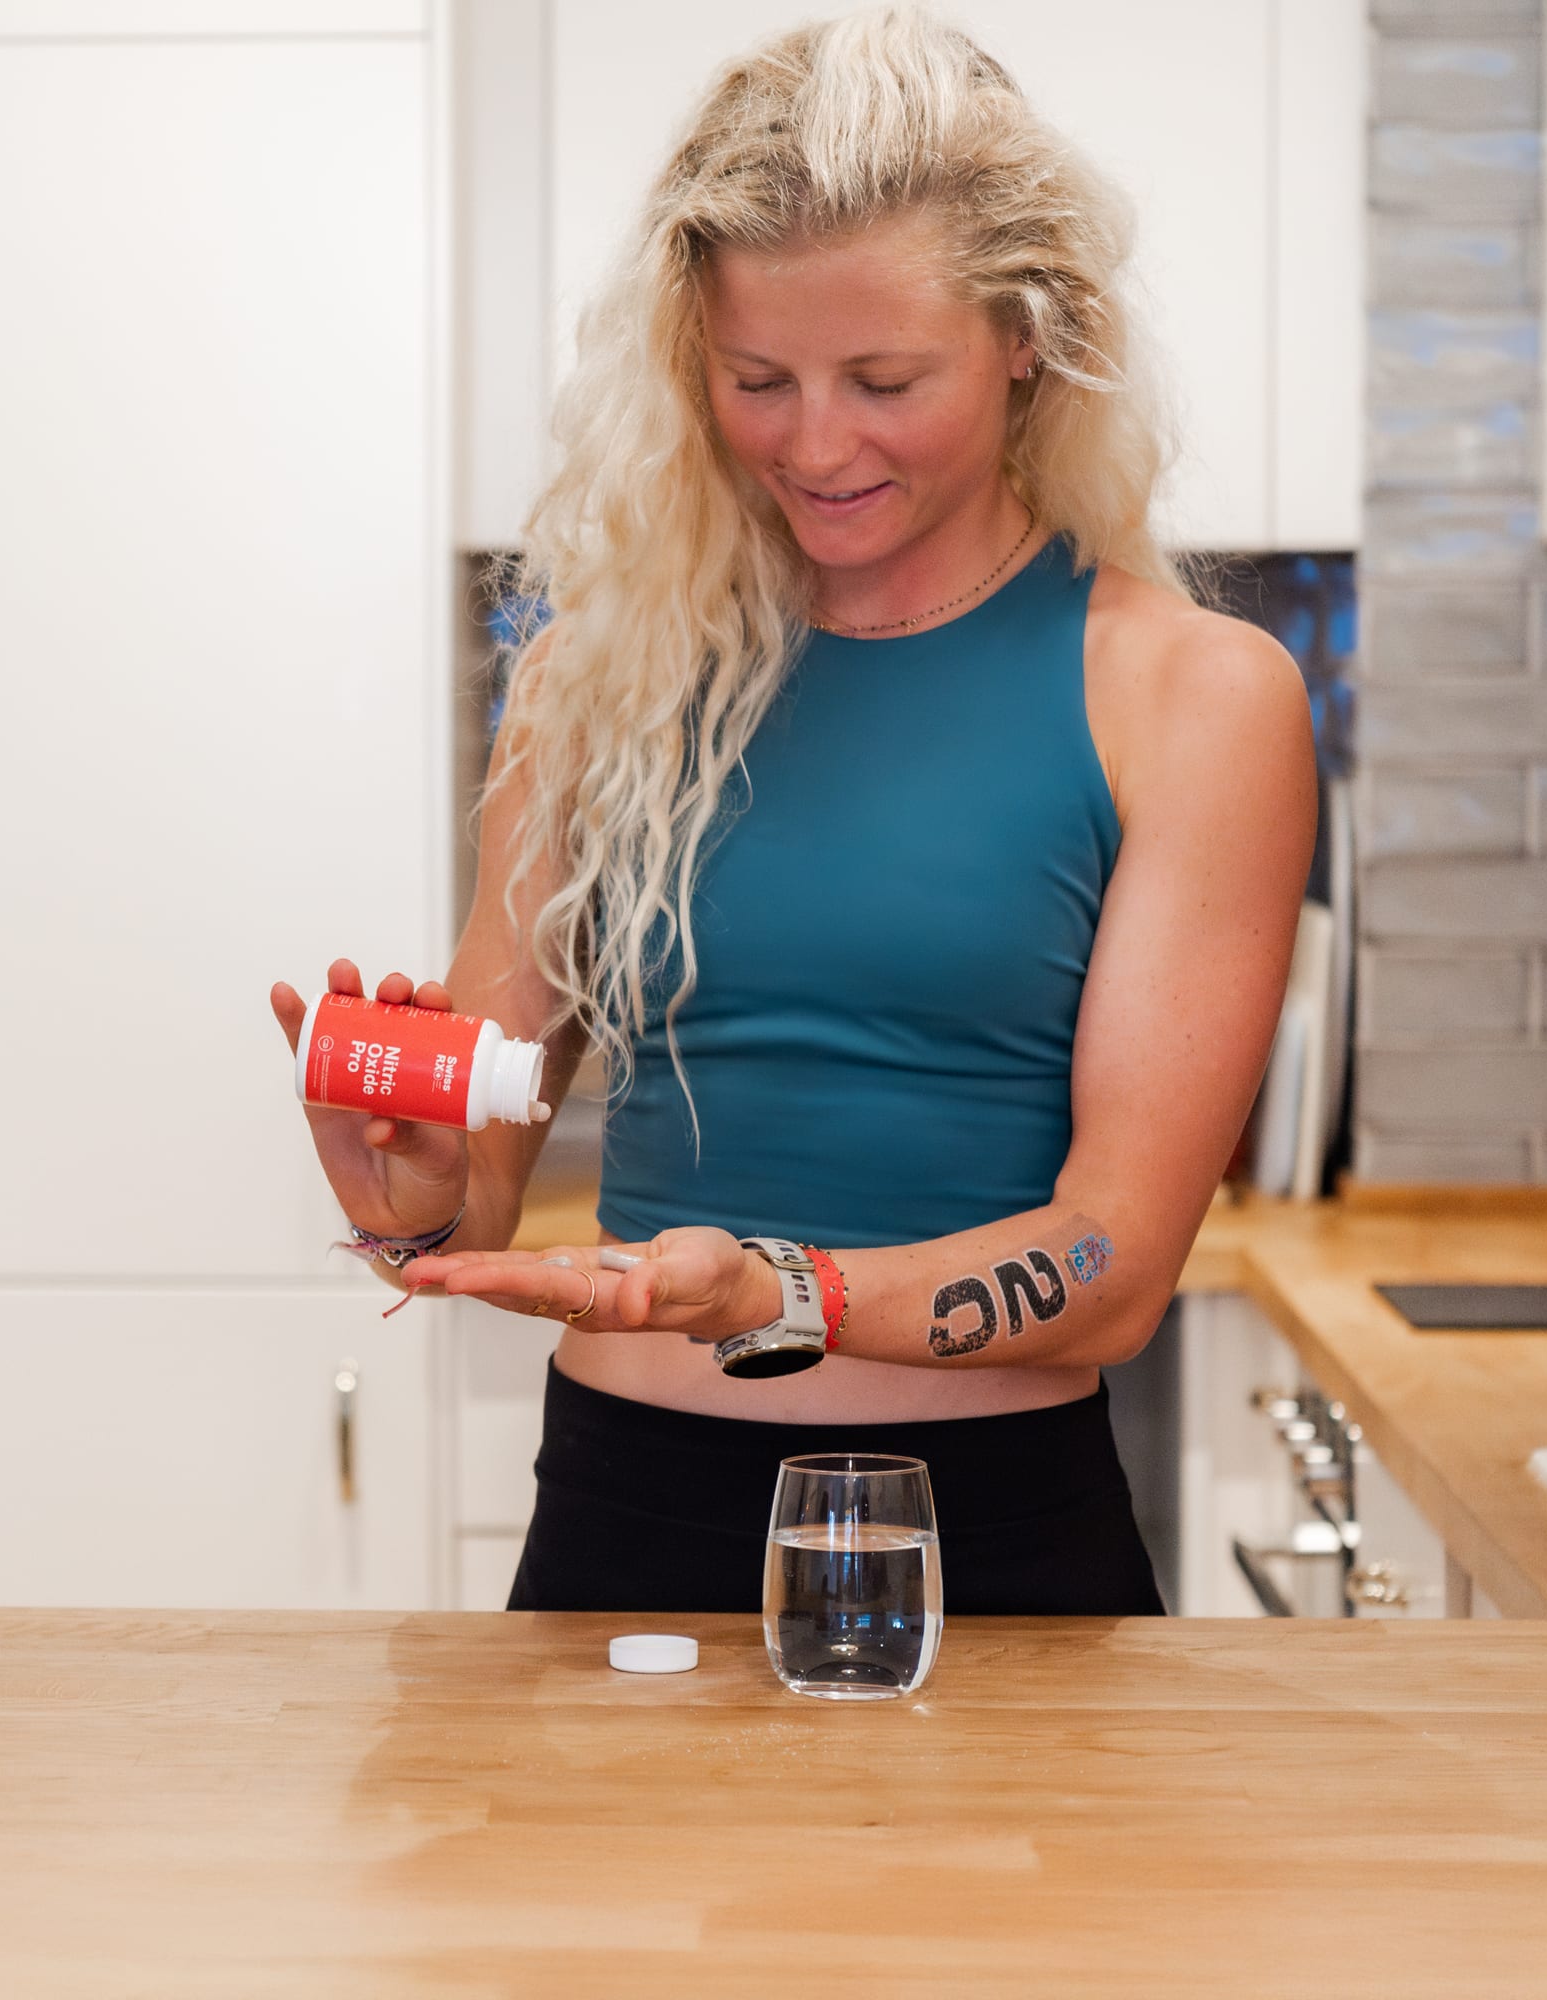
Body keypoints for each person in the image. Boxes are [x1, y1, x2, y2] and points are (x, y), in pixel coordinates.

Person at [271, 5, 1315, 1616]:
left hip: (998, 1549)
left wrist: (778, 1292)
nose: (816, 445)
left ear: (1030, 338)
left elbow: (1111, 1268)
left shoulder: (1193, 697)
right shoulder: (584, 687)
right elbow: (482, 1157)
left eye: (885, 378)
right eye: (759, 379)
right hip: (621, 1524)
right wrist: (420, 1207)